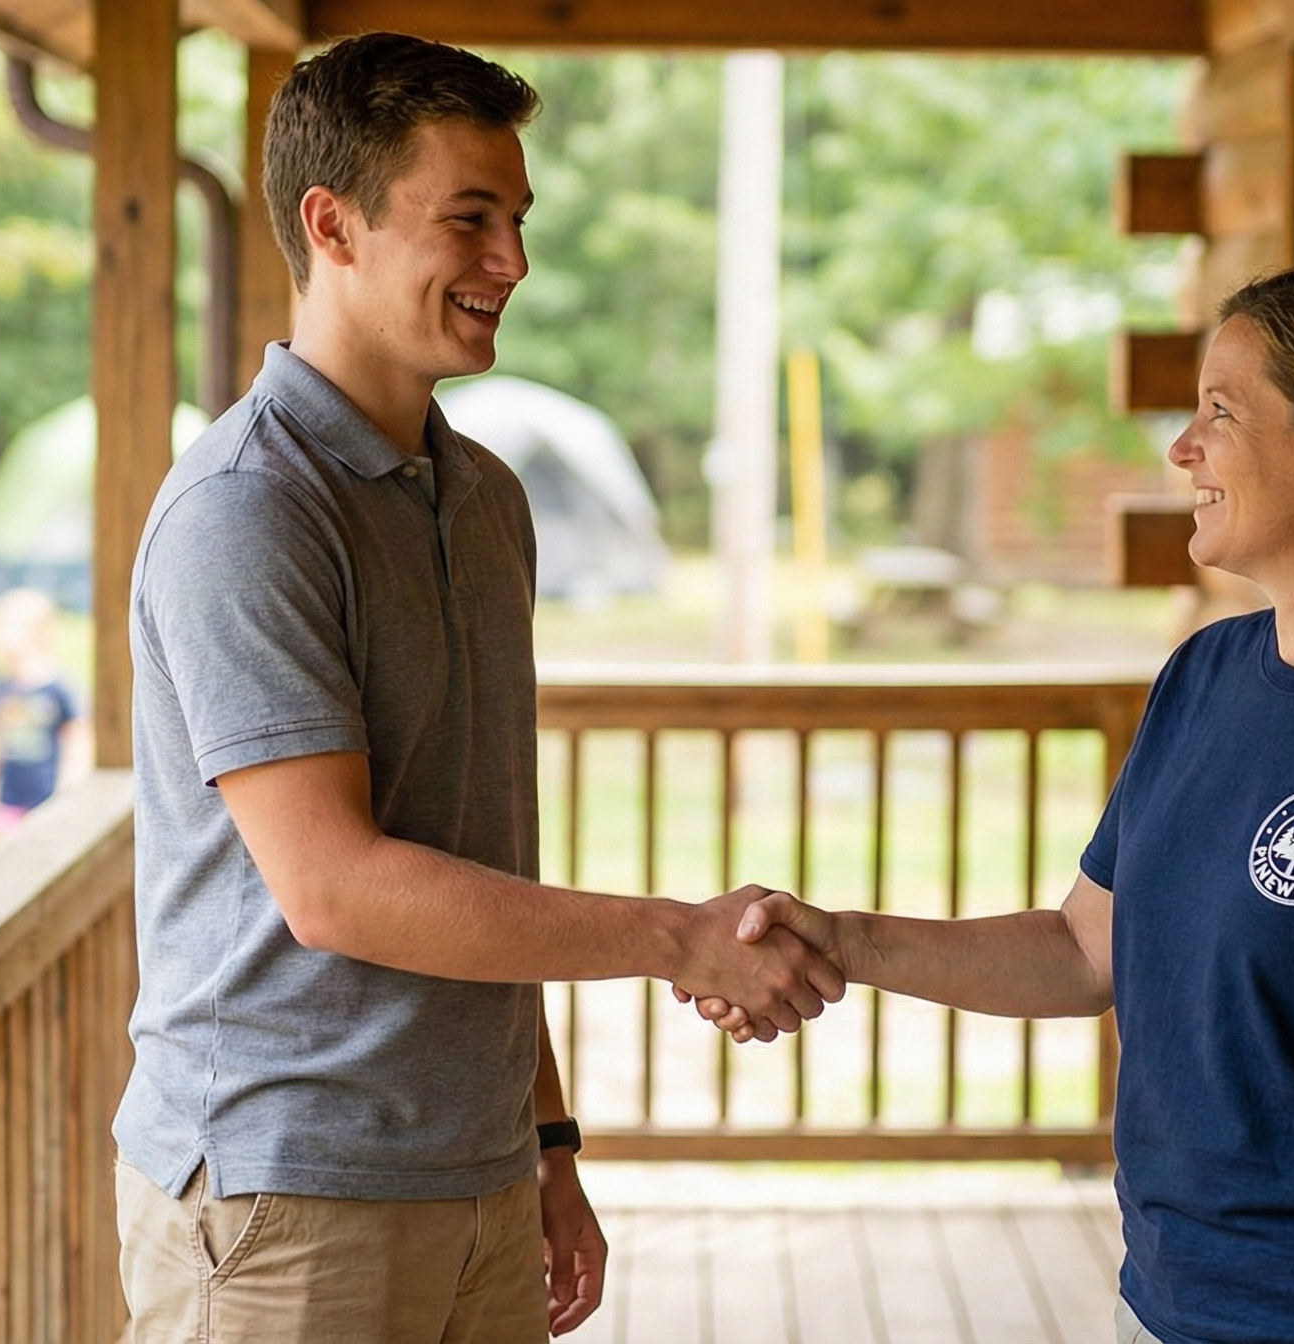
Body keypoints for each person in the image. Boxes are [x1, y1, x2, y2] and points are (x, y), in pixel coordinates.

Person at [701, 266, 1294, 1344]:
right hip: (1166, 1305)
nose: (1184, 448)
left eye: (1222, 411)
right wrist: (840, 940)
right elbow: (1087, 949)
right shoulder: (1205, 676)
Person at [116, 33, 839, 1344]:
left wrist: (548, 1141)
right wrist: (677, 936)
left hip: (482, 1172)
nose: (512, 261)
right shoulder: (247, 512)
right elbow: (332, 886)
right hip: (288, 1198)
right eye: (471, 219)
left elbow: (476, 850)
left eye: (516, 219)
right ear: (332, 226)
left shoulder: (487, 498)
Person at [0, 587, 87, 836]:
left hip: (47, 798)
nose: (0, 637)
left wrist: (72, 779)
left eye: (8, 628)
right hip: (9, 798)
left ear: (38, 633)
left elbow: (76, 734)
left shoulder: (58, 688)